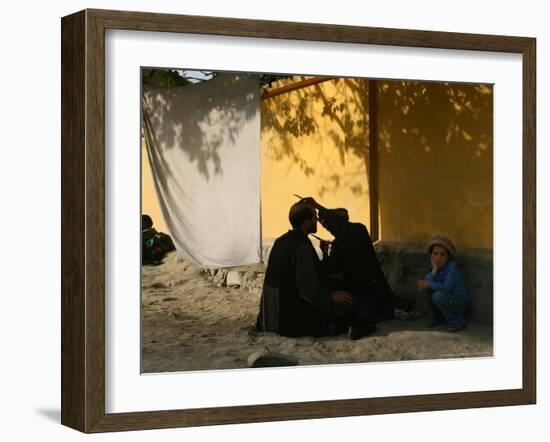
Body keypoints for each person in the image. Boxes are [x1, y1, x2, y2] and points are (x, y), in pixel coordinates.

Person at [256, 200, 375, 339]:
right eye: (314, 218)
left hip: (271, 315)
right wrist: (331, 296)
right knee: (349, 304)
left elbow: (308, 274)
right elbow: (307, 288)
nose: (317, 222)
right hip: (288, 319)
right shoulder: (301, 245)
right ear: (306, 222)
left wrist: (324, 254)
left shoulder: (281, 240)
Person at [302, 197, 395, 328]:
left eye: (328, 224)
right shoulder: (338, 243)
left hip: (371, 290)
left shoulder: (359, 231)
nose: (327, 227)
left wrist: (317, 206)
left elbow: (339, 226)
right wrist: (324, 253)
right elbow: (332, 270)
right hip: (354, 288)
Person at [416, 235, 469, 332]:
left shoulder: (452, 267)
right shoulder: (436, 267)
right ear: (431, 256)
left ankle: (457, 321)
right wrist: (434, 271)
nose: (438, 258)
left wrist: (429, 283)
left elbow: (447, 287)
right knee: (427, 288)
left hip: (459, 302)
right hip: (447, 299)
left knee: (438, 295)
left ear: (448, 257)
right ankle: (438, 318)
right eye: (435, 254)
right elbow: (425, 283)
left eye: (442, 255)